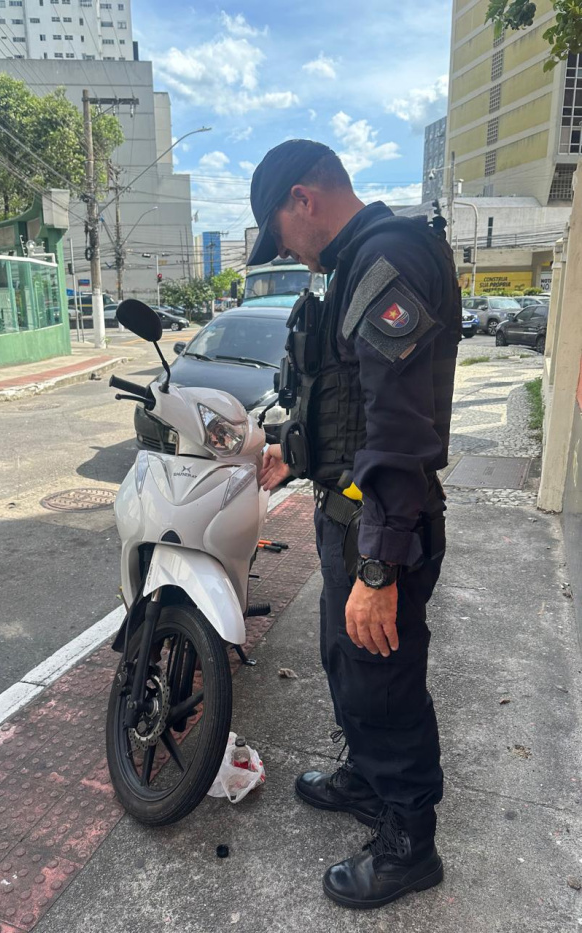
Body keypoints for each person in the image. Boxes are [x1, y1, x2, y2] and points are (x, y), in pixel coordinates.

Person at [249, 140, 461, 909]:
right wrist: (293, 446)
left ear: (303, 198)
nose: (286, 253)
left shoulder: (387, 259)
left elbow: (398, 432)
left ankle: (410, 843)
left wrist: (379, 569)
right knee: (349, 665)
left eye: (279, 235)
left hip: (380, 527)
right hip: (348, 515)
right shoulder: (352, 266)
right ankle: (368, 780)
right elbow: (348, 401)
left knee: (385, 683)